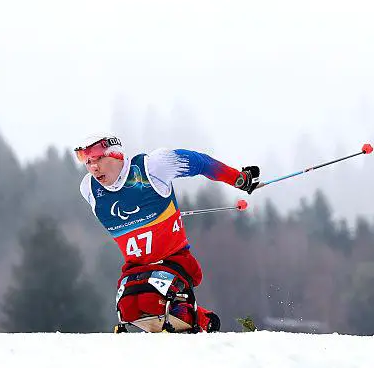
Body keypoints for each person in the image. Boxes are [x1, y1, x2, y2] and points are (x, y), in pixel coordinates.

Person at [75, 133, 259, 333]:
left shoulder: (154, 167)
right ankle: (182, 317)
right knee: (128, 309)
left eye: (98, 159)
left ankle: (203, 320)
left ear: (116, 155)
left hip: (173, 259)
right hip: (136, 267)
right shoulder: (89, 189)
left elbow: (201, 163)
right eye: (88, 162)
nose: (93, 168)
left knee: (150, 301)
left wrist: (239, 179)